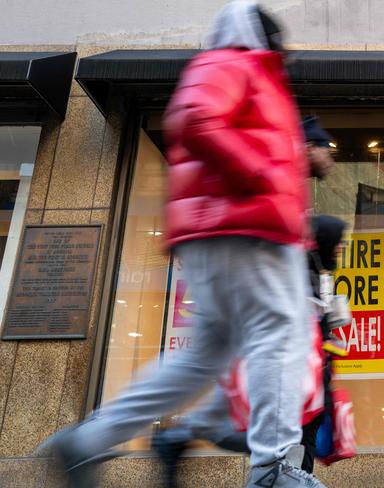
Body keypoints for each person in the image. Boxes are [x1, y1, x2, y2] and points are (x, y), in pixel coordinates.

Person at [38, 2, 326, 487]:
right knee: (281, 332)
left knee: (204, 356)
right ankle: (273, 469)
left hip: (218, 230)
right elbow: (193, 117)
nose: (285, 49)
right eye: (279, 40)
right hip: (246, 226)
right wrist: (260, 175)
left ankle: (88, 441)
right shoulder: (236, 62)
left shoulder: (234, 67)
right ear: (261, 37)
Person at [152, 215, 348, 487]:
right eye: (338, 241)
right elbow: (288, 330)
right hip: (294, 387)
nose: (340, 248)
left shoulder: (313, 272)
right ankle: (183, 435)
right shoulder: (296, 271)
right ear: (323, 240)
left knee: (286, 461)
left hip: (305, 388)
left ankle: (185, 434)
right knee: (285, 461)